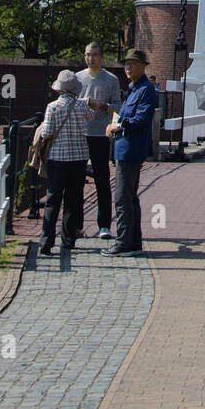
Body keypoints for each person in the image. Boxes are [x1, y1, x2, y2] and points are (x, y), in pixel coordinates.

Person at [100, 48, 157, 257]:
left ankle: (124, 242)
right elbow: (125, 116)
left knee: (123, 197)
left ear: (143, 66)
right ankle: (133, 241)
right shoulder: (134, 89)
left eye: (132, 63)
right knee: (130, 197)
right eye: (126, 64)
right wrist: (114, 125)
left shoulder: (145, 90)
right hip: (124, 149)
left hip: (131, 150)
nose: (128, 67)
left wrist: (119, 126)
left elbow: (142, 119)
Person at [38, 71, 96, 255]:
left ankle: (46, 241)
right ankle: (68, 240)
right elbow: (91, 117)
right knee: (73, 200)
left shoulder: (52, 107)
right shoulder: (80, 106)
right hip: (79, 158)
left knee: (52, 199)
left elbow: (46, 132)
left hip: (57, 158)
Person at [77, 40, 123, 240]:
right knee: (75, 182)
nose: (90, 58)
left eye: (94, 54)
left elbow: (118, 106)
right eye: (87, 54)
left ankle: (104, 225)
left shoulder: (111, 80)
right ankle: (75, 225)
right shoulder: (77, 79)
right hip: (80, 134)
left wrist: (103, 106)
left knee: (102, 181)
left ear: (101, 56)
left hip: (99, 135)